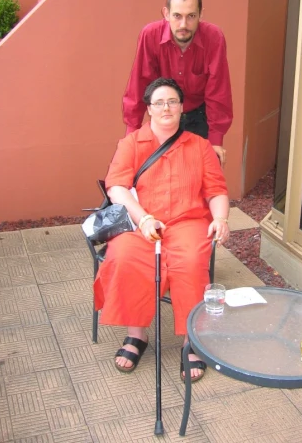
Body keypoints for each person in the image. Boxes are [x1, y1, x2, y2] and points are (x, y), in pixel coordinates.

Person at [94, 77, 231, 382]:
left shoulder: (200, 146)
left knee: (193, 263)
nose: (166, 107)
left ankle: (191, 340)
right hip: (143, 223)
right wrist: (143, 218)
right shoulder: (131, 144)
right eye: (159, 102)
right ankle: (136, 334)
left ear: (182, 108)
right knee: (124, 255)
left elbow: (216, 190)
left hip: (188, 222)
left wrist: (220, 219)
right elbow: (116, 187)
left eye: (172, 101)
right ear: (149, 109)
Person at [121, 0, 233, 166]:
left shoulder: (214, 37)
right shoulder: (150, 35)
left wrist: (216, 140)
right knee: (160, 175)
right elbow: (139, 83)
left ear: (200, 15)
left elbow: (218, 90)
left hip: (199, 115)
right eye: (177, 16)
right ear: (166, 13)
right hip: (164, 114)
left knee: (197, 176)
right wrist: (131, 133)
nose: (183, 25)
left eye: (191, 16)